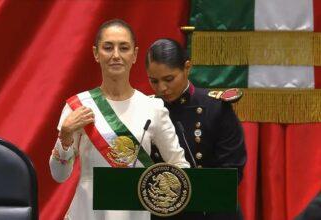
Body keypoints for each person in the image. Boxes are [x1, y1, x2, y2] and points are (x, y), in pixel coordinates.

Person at [49, 20, 190, 220]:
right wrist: (65, 134)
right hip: (88, 212)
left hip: (136, 212)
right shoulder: (78, 106)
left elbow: (180, 166)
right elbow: (59, 175)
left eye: (124, 48)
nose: (116, 55)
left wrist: (161, 196)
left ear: (134, 55)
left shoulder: (153, 108)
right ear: (96, 53)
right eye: (108, 47)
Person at [145, 38, 247, 220]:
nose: (162, 88)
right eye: (154, 81)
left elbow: (232, 170)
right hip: (165, 213)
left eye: (169, 79)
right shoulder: (146, 109)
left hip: (213, 211)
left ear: (187, 67)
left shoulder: (215, 107)